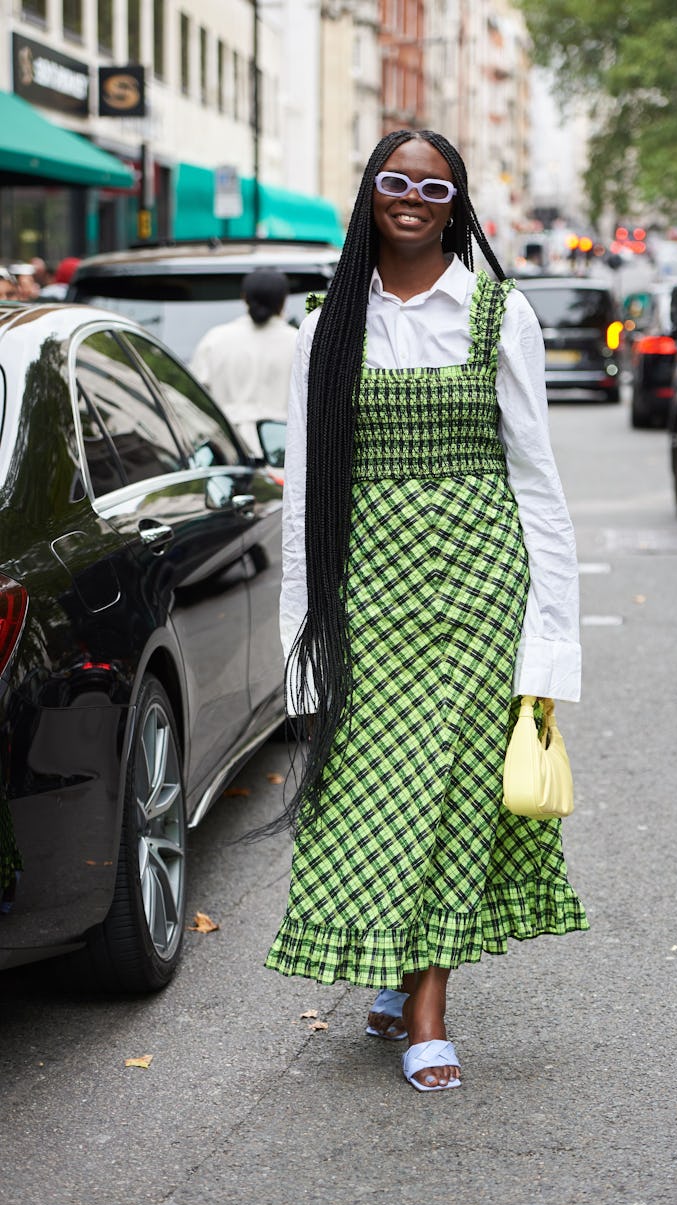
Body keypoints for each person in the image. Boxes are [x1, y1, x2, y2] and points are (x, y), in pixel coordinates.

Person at [264, 129, 588, 1093]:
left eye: (432, 186)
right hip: (366, 589)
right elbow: (305, 490)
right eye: (395, 181)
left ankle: (428, 1011)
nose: (412, 197)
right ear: (369, 193)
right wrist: (302, 637)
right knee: (370, 790)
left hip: (482, 585)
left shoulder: (500, 312)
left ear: (455, 204)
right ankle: (400, 974)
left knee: (446, 789)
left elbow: (538, 482)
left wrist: (552, 644)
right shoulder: (325, 322)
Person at [190, 268, 298, 454]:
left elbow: (194, 399)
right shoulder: (299, 343)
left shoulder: (215, 340)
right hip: (283, 452)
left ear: (244, 298)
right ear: (284, 300)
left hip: (225, 452)